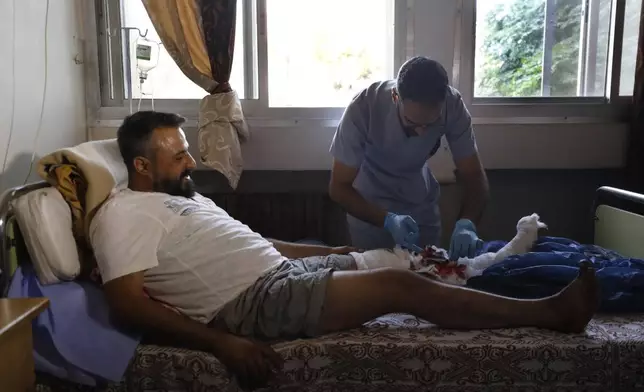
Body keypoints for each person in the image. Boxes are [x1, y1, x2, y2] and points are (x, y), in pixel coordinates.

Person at [92, 111, 599, 389]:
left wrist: (324, 252)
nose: (190, 161)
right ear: (141, 166)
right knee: (402, 286)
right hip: (251, 302)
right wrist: (222, 344)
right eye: (178, 154)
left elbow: (257, 244)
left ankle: (511, 273)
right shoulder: (122, 215)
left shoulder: (184, 198)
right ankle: (552, 314)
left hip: (280, 271)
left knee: (411, 259)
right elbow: (128, 301)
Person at [329, 56, 489, 260]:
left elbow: (474, 175)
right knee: (378, 284)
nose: (422, 132)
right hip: (368, 207)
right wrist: (386, 220)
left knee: (429, 275)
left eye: (431, 124)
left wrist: (467, 224)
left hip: (420, 206)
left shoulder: (452, 105)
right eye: (413, 123)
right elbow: (338, 188)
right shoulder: (363, 107)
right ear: (396, 96)